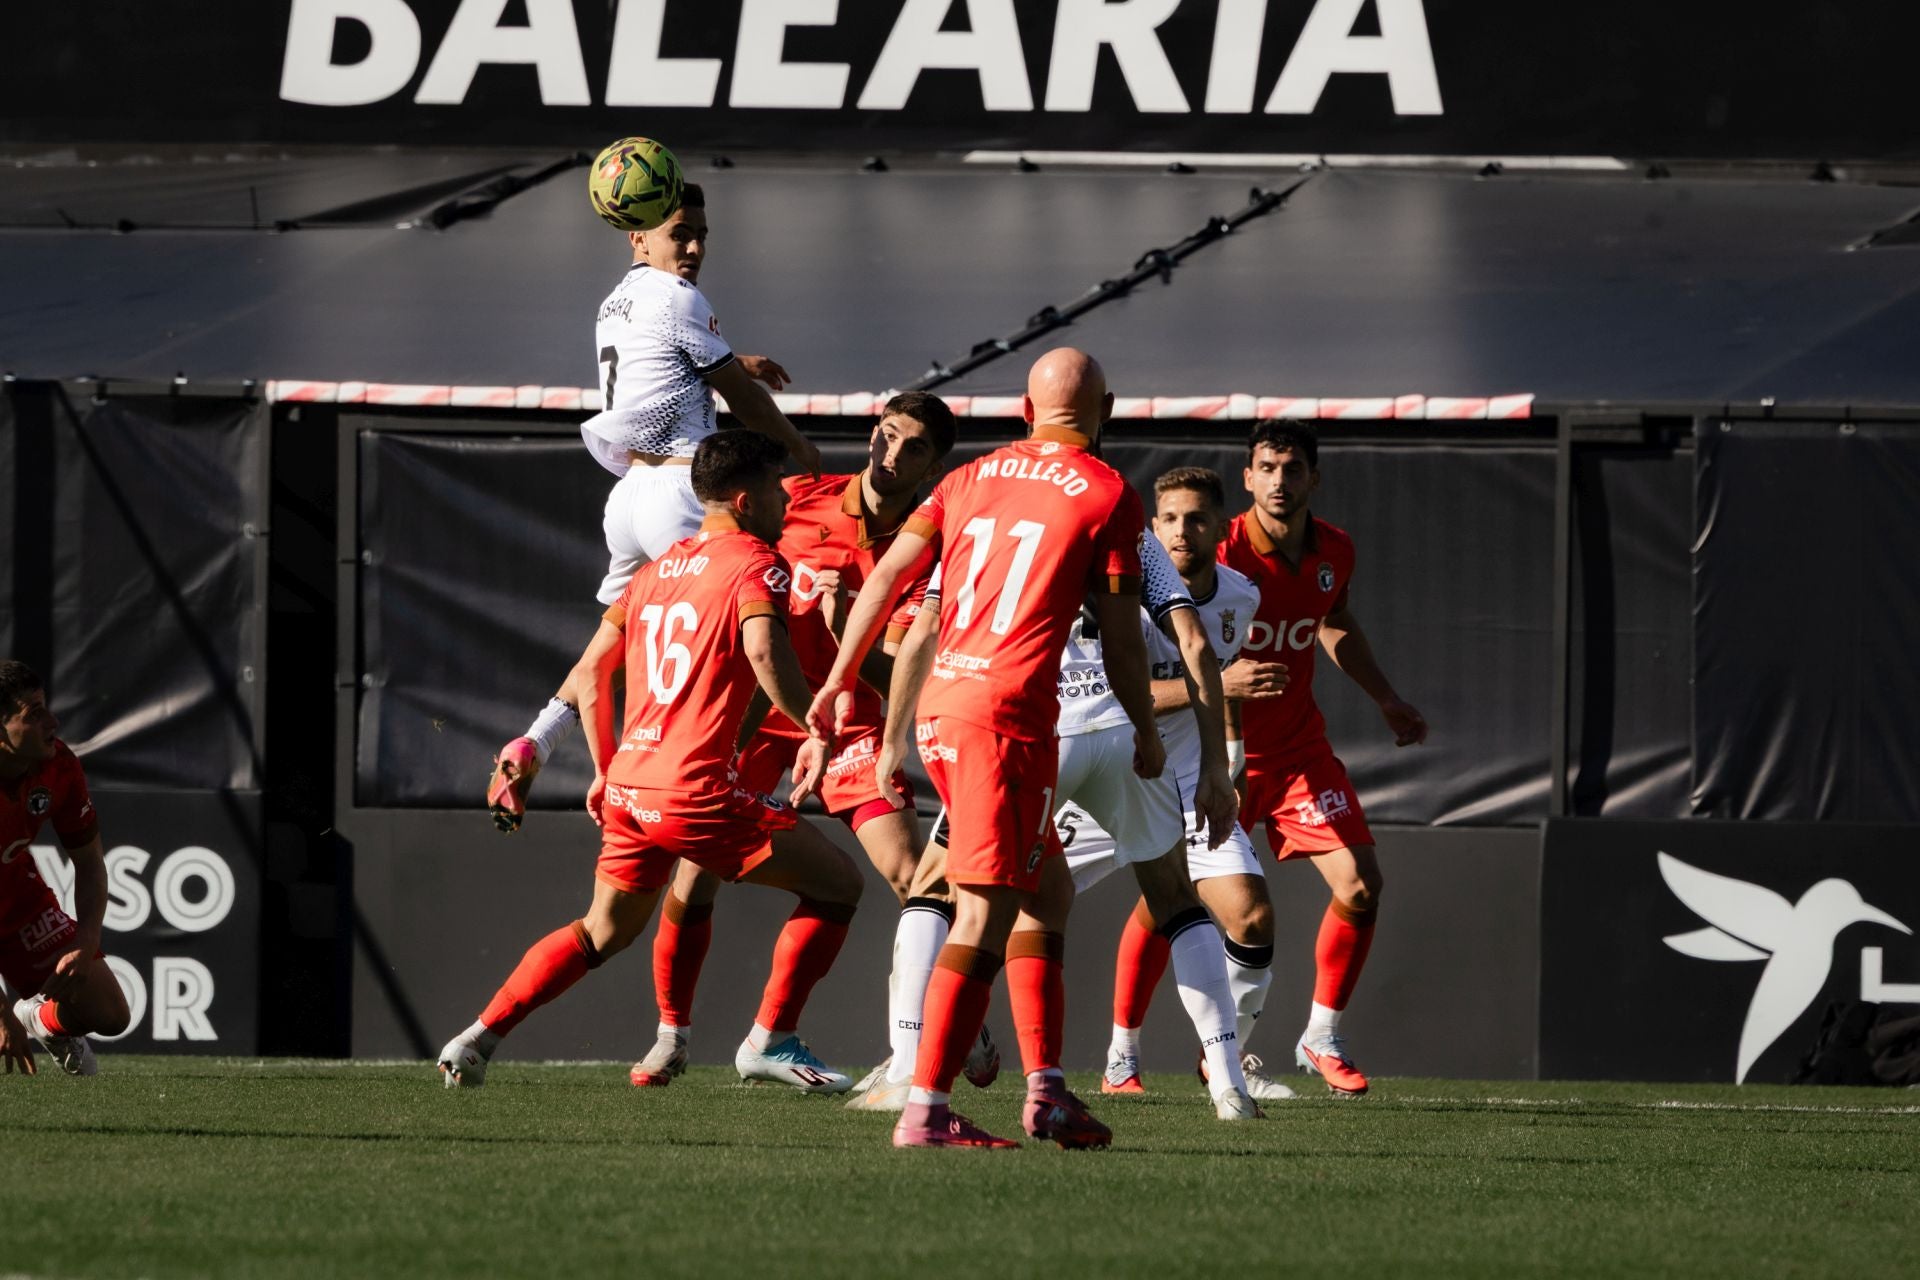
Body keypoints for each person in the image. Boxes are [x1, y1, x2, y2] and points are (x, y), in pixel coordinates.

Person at [437, 433, 863, 1092]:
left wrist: (538, 744)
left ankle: (477, 1038)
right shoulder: (758, 561)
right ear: (746, 501)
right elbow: (764, 655)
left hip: (632, 786)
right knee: (840, 885)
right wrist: (816, 719)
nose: (788, 498)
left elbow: (588, 672)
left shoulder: (653, 572)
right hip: (694, 789)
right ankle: (771, 1039)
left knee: (601, 931)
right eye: (778, 487)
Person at [809, 348, 1154, 1150]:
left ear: (1026, 415)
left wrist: (837, 679)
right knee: (983, 913)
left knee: (1047, 892)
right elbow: (1121, 642)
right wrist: (1141, 726)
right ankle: (926, 1107)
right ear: (1104, 414)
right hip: (1004, 717)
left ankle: (1048, 1091)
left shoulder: (968, 480)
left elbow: (893, 577)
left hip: (947, 709)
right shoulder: (1108, 492)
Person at [626, 392, 998, 1103]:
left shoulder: (930, 552)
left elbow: (898, 676)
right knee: (695, 875)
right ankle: (673, 1031)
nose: (891, 457)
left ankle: (921, 1024)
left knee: (914, 878)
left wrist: (841, 628)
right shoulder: (794, 499)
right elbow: (716, 555)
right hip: (761, 722)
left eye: (913, 448)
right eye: (886, 437)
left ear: (935, 464)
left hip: (853, 728)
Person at [900, 490, 1257, 1119]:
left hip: (1029, 732)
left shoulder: (985, 514)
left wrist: (888, 737)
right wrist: (1214, 770)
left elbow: (922, 626)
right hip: (1122, 731)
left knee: (947, 891)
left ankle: (918, 1070)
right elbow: (1196, 647)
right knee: (1174, 896)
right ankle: (1229, 1086)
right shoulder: (1121, 525)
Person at [487, 183, 822, 831]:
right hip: (682, 493)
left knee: (609, 648)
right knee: (753, 630)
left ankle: (535, 742)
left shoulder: (616, 302)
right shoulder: (680, 297)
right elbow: (746, 406)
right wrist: (800, 448)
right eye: (679, 234)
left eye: (702, 234)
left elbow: (663, 362)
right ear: (637, 233)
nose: (694, 247)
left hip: (629, 498)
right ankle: (711, 772)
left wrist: (735, 359)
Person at [1057, 467, 1295, 1101]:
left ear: (1223, 527)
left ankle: (1224, 1060)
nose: (1181, 531)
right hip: (1107, 768)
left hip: (1188, 780)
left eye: (1195, 519)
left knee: (1250, 916)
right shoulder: (1117, 589)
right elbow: (1108, 696)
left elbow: (1222, 687)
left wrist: (1229, 759)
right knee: (1020, 903)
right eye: (1168, 519)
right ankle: (926, 1049)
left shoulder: (1241, 597)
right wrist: (1220, 687)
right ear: (1150, 526)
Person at [1221, 422, 1427, 1096]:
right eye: (1267, 467)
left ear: (1314, 478)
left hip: (1296, 753)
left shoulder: (1334, 549)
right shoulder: (1217, 552)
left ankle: (1321, 1034)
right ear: (1247, 477)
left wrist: (1387, 698)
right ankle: (1123, 1053)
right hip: (1215, 755)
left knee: (1361, 885)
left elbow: (1332, 621)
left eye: (1293, 468)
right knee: (1170, 903)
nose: (1280, 480)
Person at [0, 661, 131, 1076]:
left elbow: (90, 863)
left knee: (110, 1013)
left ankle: (40, 1020)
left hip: (18, 903)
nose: (51, 722)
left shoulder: (59, 766)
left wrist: (85, 938)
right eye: (32, 714)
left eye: (47, 708)